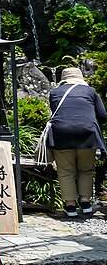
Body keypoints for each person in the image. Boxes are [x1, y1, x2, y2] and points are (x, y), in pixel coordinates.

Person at [49, 67, 107, 217]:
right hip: (87, 133)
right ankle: (86, 203)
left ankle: (70, 207)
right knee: (86, 169)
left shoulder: (55, 92)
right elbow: (102, 115)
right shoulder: (90, 92)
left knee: (66, 171)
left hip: (61, 134)